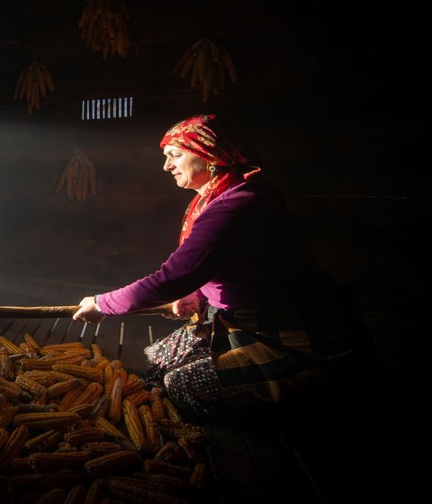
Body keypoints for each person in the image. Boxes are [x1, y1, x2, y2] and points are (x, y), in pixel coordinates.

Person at [72, 113, 375, 422]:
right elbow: (224, 268)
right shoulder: (212, 200)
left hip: (286, 330)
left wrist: (102, 304)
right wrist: (198, 298)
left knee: (181, 385)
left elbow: (173, 277)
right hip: (237, 318)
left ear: (209, 155)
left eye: (175, 154)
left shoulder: (238, 206)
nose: (166, 165)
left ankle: (307, 404)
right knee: (156, 361)